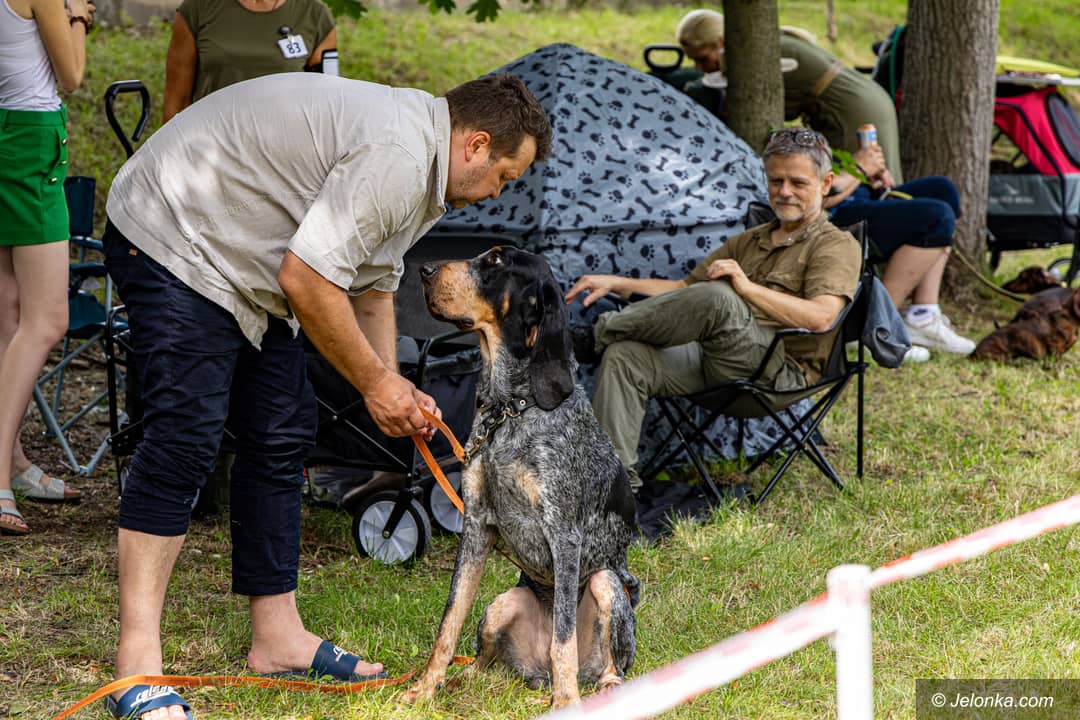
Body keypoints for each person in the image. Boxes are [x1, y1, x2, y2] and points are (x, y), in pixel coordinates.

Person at [100, 72, 551, 720]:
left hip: (247, 262)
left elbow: (370, 288)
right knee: (185, 439)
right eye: (504, 175)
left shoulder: (424, 171)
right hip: (173, 233)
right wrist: (374, 383)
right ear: (476, 145)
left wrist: (393, 383)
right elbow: (307, 278)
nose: (497, 192)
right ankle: (136, 664)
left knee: (281, 432)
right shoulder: (399, 156)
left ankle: (277, 635)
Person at [565, 127, 861, 492]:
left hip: (775, 374)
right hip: (715, 358)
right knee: (625, 356)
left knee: (720, 296)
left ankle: (591, 337)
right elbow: (684, 291)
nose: (784, 191)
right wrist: (617, 282)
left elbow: (822, 316)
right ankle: (610, 488)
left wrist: (746, 288)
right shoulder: (749, 241)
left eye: (798, 182)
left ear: (826, 183)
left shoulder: (835, 245)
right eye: (776, 181)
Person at [162, 0, 338, 516]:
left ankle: (265, 467)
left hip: (280, 193)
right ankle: (197, 474)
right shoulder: (200, 11)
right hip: (208, 188)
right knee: (205, 327)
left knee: (271, 328)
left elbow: (328, 106)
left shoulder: (314, 16)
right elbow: (175, 107)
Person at [0, 0, 95, 535]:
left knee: (9, 317)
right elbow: (73, 75)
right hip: (31, 141)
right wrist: (77, 17)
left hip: (6, 133)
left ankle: (13, 462)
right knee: (48, 318)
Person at [675, 9, 904, 183]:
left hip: (850, 110)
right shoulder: (767, 41)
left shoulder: (752, 54)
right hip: (862, 98)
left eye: (703, 59)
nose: (698, 68)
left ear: (721, 42)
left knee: (859, 182)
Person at [826, 143, 976, 359]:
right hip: (836, 216)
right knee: (937, 216)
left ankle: (922, 317)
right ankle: (876, 328)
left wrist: (868, 178)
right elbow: (821, 195)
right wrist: (860, 168)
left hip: (859, 196)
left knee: (943, 191)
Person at [163, 0, 337, 123]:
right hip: (211, 146)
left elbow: (328, 104)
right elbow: (177, 101)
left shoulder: (315, 14)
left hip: (287, 149)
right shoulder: (197, 8)